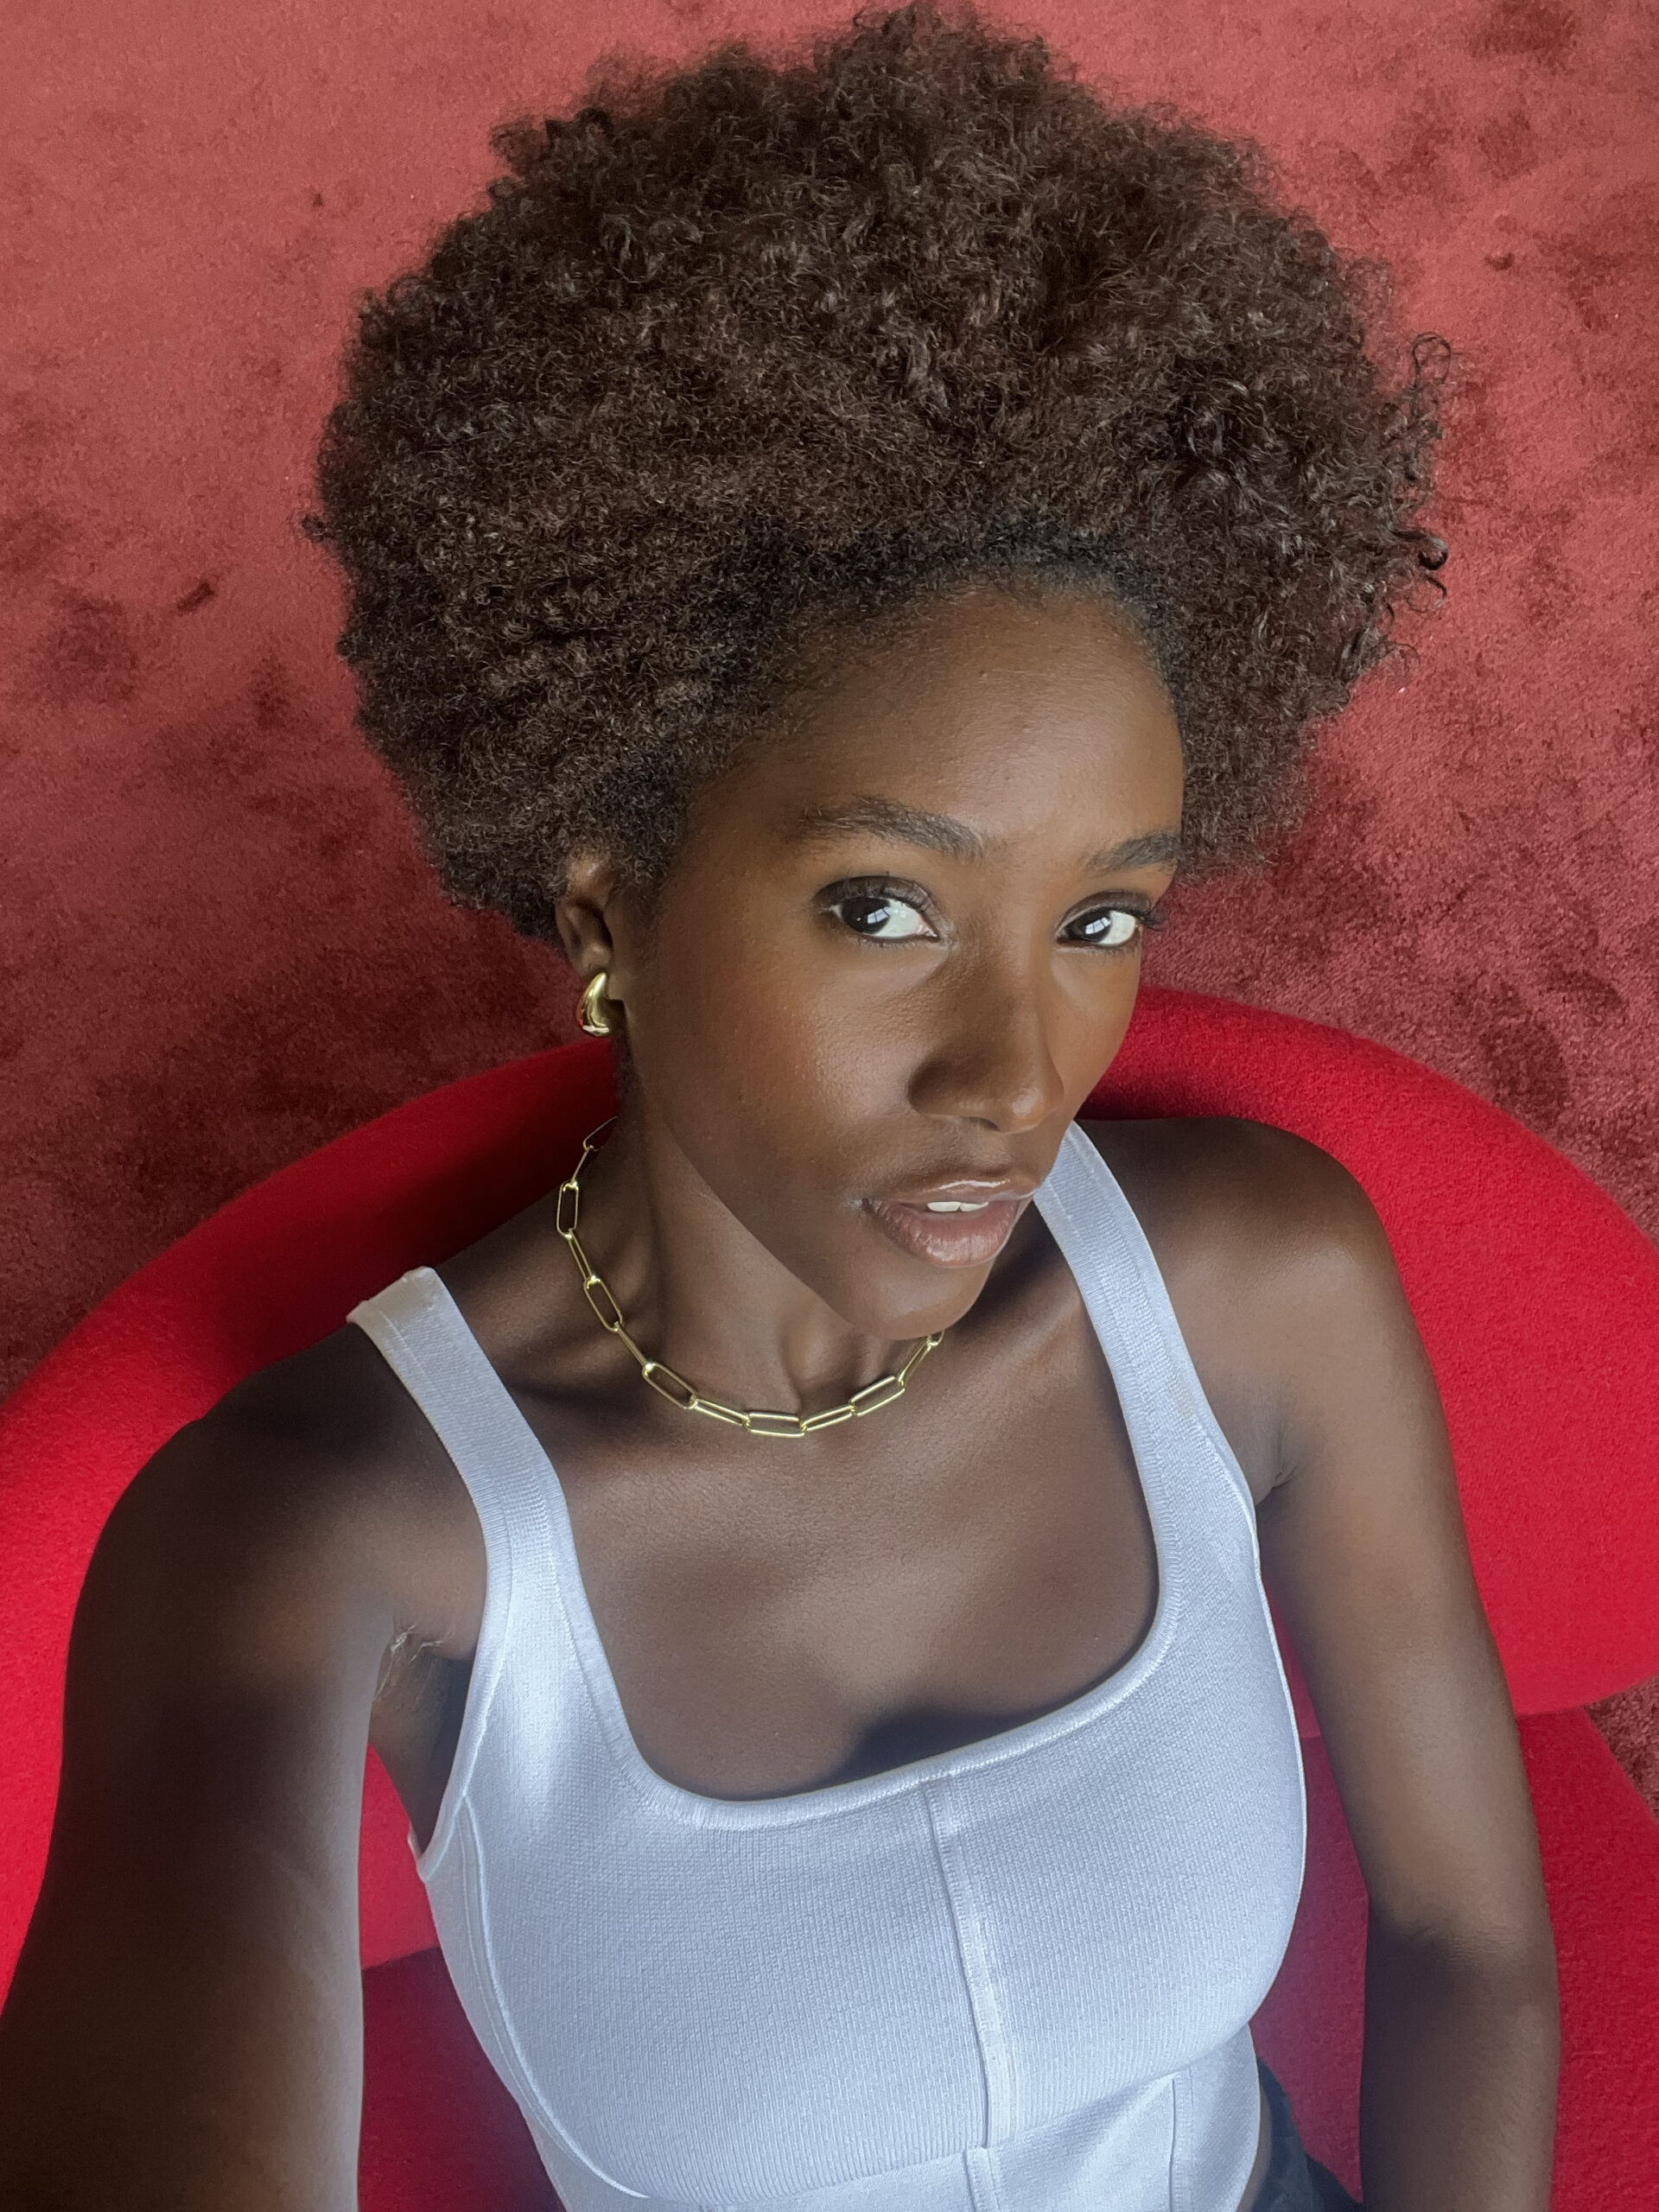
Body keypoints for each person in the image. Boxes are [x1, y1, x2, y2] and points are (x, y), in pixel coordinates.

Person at [0, 6, 1560, 2209]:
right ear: (609, 887)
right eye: (882, 903)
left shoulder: (1253, 1288)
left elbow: (1470, 1933)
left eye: (1103, 921)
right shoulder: (309, 1534)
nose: (1015, 1078)